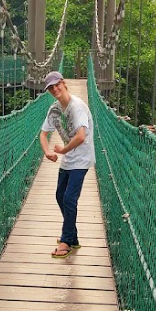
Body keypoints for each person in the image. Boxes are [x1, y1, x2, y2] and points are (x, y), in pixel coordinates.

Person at [39, 71, 95, 259]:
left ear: (63, 83)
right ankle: (73, 236)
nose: (55, 89)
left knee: (69, 198)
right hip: (69, 159)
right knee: (60, 195)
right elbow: (43, 134)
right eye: (51, 88)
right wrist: (47, 151)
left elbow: (81, 136)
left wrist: (62, 150)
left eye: (57, 85)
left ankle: (66, 241)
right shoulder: (54, 109)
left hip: (82, 157)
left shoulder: (76, 107)